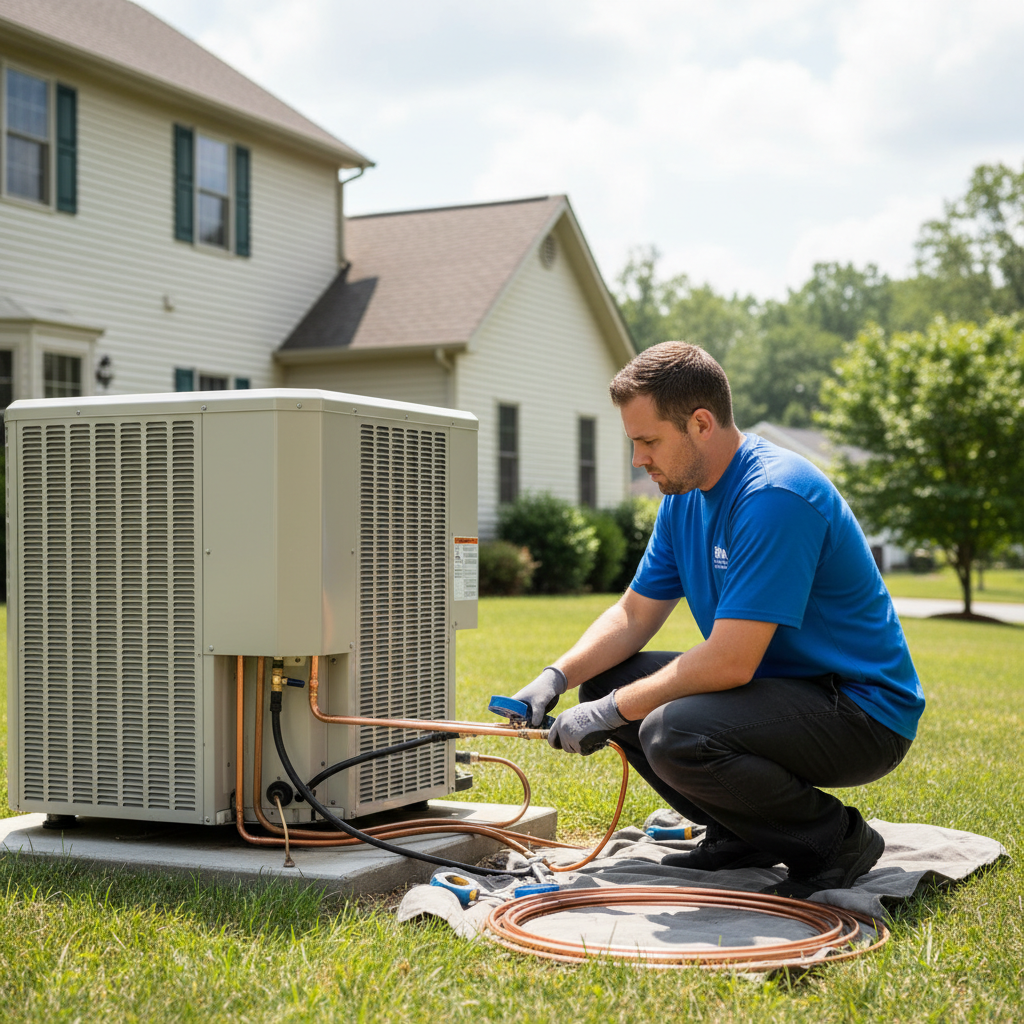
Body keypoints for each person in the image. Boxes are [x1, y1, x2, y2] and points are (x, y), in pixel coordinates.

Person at [511, 342, 924, 897]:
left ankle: (835, 842)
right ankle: (739, 835)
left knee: (671, 730)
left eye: (648, 440)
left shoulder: (775, 495)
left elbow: (730, 661)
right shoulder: (683, 498)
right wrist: (555, 677)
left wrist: (610, 713)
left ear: (701, 423)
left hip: (860, 710)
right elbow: (633, 614)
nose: (638, 459)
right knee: (609, 682)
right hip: (784, 689)